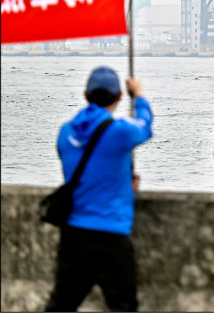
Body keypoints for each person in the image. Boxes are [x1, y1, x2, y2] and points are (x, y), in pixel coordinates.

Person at [45, 66, 153, 312]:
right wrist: (139, 96)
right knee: (123, 305)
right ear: (118, 97)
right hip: (109, 232)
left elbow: (86, 173)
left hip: (73, 232)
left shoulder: (65, 132)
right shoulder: (121, 132)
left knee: (61, 303)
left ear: (86, 95)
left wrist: (120, 180)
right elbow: (145, 127)